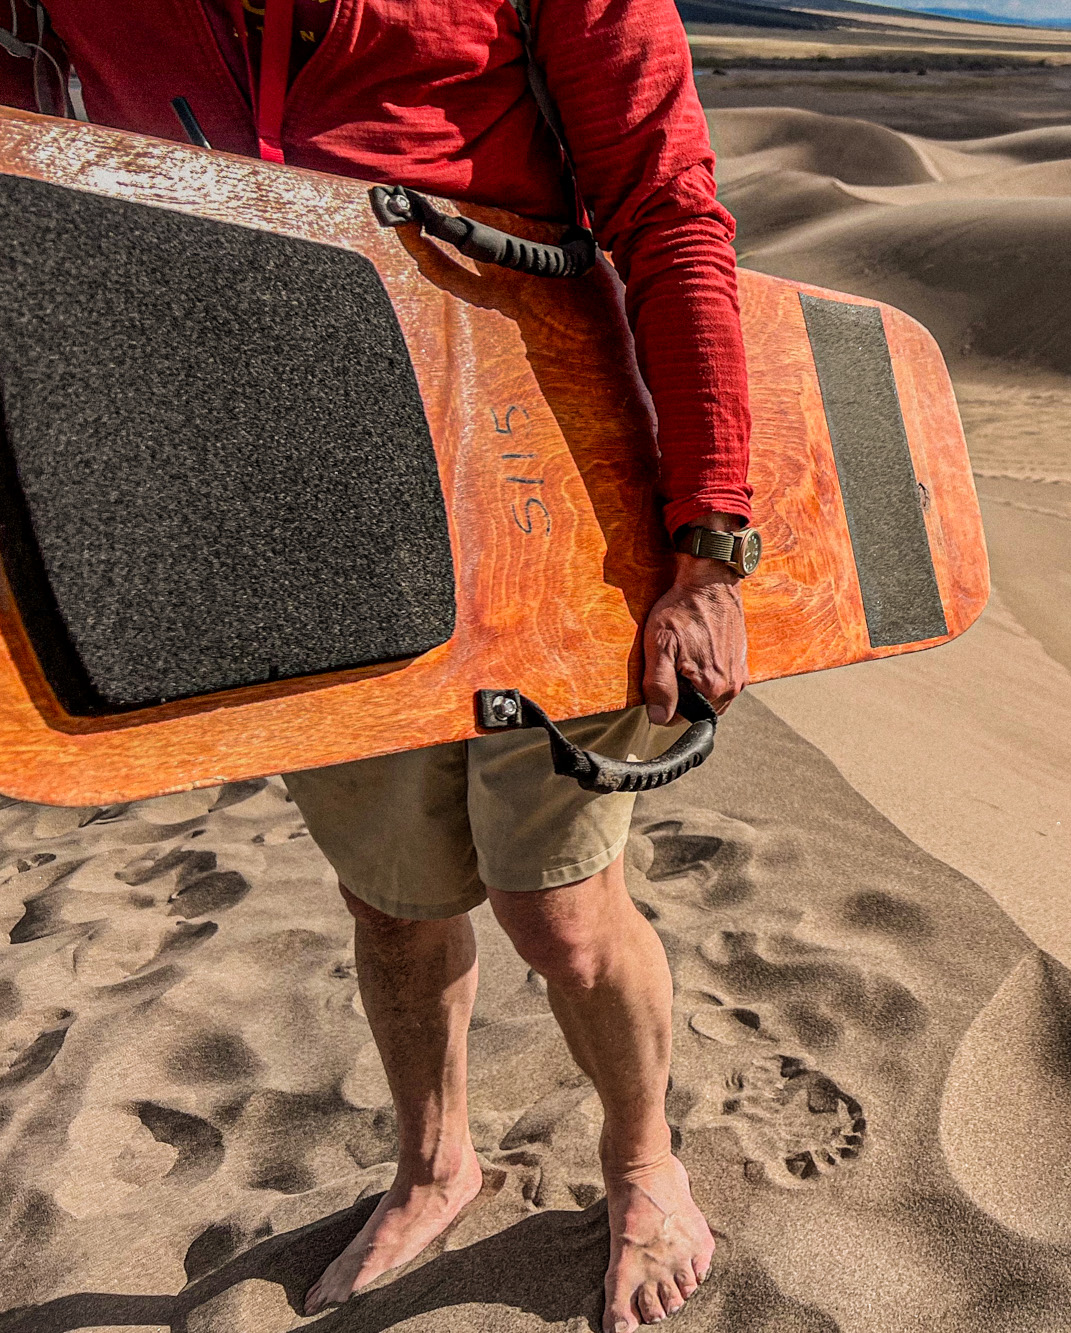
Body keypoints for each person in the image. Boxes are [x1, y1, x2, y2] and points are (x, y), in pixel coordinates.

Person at [1, 3, 750, 1327]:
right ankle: (435, 1160)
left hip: (547, 498)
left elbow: (666, 202)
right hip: (288, 517)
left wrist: (710, 537)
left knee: (561, 912)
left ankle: (644, 1165)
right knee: (393, 900)